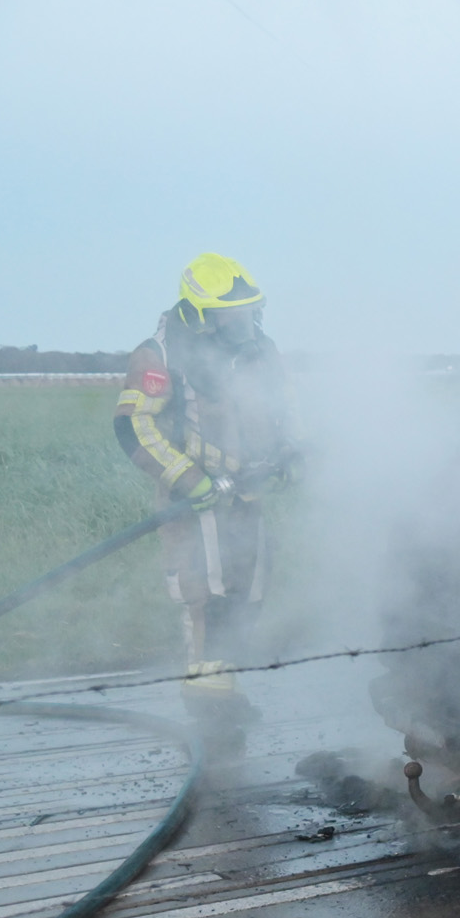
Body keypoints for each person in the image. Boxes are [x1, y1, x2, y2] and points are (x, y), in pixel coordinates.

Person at [114, 253, 294, 735]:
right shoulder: (160, 355)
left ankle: (224, 691)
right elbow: (135, 425)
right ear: (198, 315)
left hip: (248, 496)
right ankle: (206, 704)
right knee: (205, 595)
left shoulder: (261, 349)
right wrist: (189, 479)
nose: (242, 323)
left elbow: (282, 407)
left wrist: (288, 455)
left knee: (249, 593)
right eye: (229, 315)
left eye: (248, 312)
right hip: (193, 501)